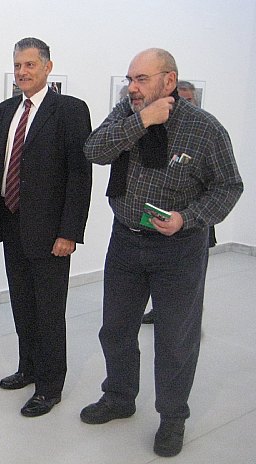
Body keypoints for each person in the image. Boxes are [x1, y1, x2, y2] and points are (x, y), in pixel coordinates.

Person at [81, 48, 243, 457]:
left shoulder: (205, 130)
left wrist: (187, 218)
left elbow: (228, 186)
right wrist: (141, 122)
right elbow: (95, 151)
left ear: (168, 81)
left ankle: (172, 418)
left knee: (175, 339)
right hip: (126, 241)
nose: (132, 87)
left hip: (179, 248)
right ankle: (119, 397)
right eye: (130, 79)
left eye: (142, 79)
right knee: (115, 328)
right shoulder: (126, 114)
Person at [0, 37, 92, 417]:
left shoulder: (70, 110)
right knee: (22, 305)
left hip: (50, 233)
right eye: (17, 66)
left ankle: (49, 385)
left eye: (30, 65)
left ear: (47, 66)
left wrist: (69, 232)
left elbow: (80, 176)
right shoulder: (4, 110)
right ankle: (27, 368)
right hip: (11, 225)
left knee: (48, 311)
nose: (22, 72)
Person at [142, 79, 216, 325]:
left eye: (188, 100)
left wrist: (189, 217)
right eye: (178, 99)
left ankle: (189, 316)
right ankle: (158, 309)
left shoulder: (205, 130)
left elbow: (223, 184)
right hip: (158, 224)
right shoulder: (159, 128)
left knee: (191, 283)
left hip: (193, 223)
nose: (182, 104)